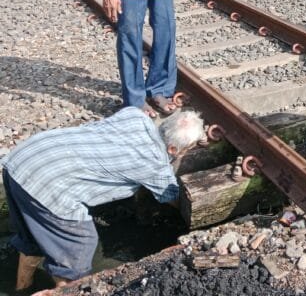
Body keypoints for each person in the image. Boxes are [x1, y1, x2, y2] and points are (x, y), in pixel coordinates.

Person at [2, 108, 205, 291]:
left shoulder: (136, 117)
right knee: (80, 244)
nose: (190, 150)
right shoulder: (156, 166)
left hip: (25, 156)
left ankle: (22, 287)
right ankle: (69, 288)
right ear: (172, 150)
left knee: (34, 235)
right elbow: (171, 197)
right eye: (190, 147)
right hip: (47, 183)